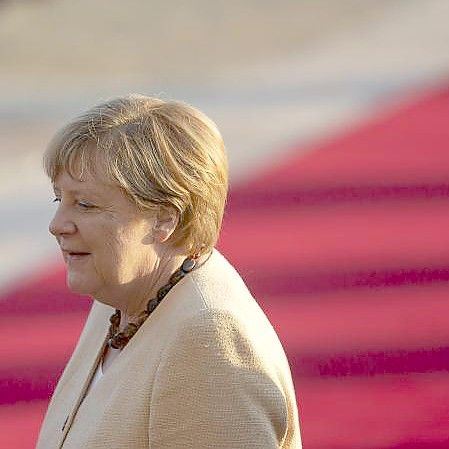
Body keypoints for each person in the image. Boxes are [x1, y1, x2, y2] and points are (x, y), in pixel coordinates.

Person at [36, 94, 301, 449]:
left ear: (165, 219)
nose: (57, 225)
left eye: (86, 204)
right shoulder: (119, 296)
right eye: (59, 199)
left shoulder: (208, 341)